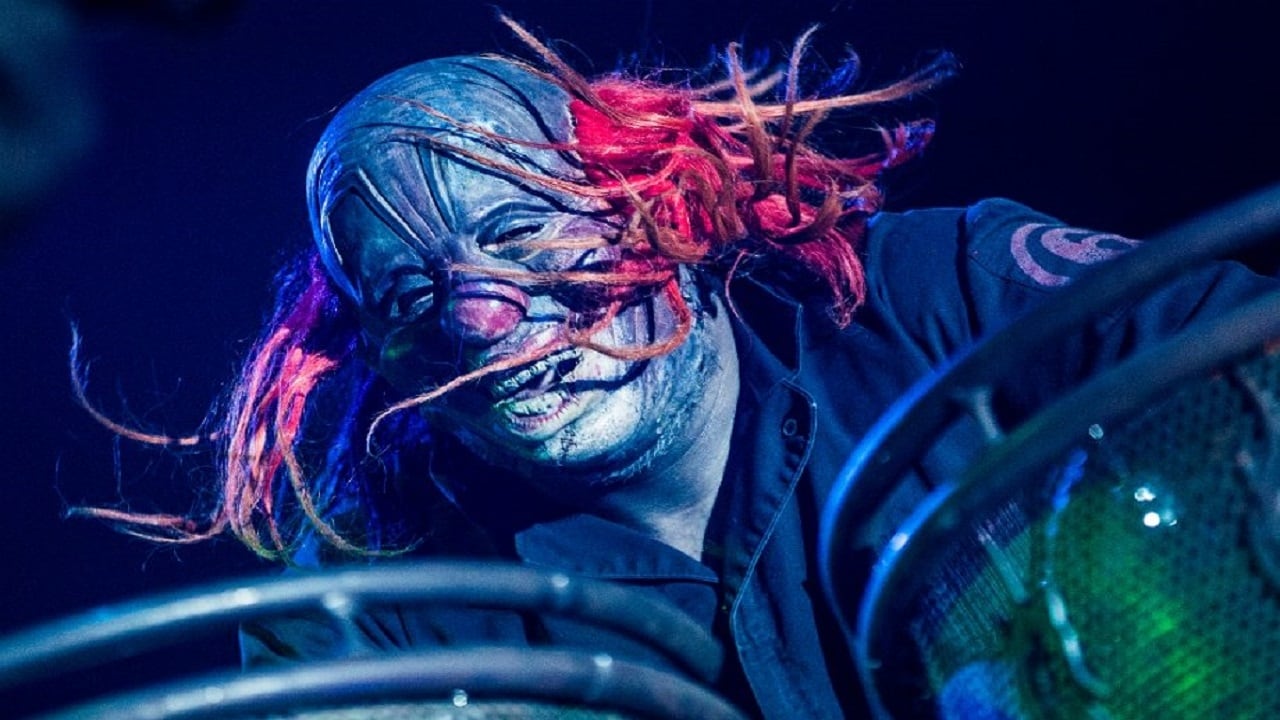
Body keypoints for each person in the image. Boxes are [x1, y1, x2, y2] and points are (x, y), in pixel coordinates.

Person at [72, 16, 1280, 719]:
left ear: (657, 195)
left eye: (518, 231)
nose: (482, 317)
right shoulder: (369, 604)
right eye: (411, 295)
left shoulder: (941, 289)